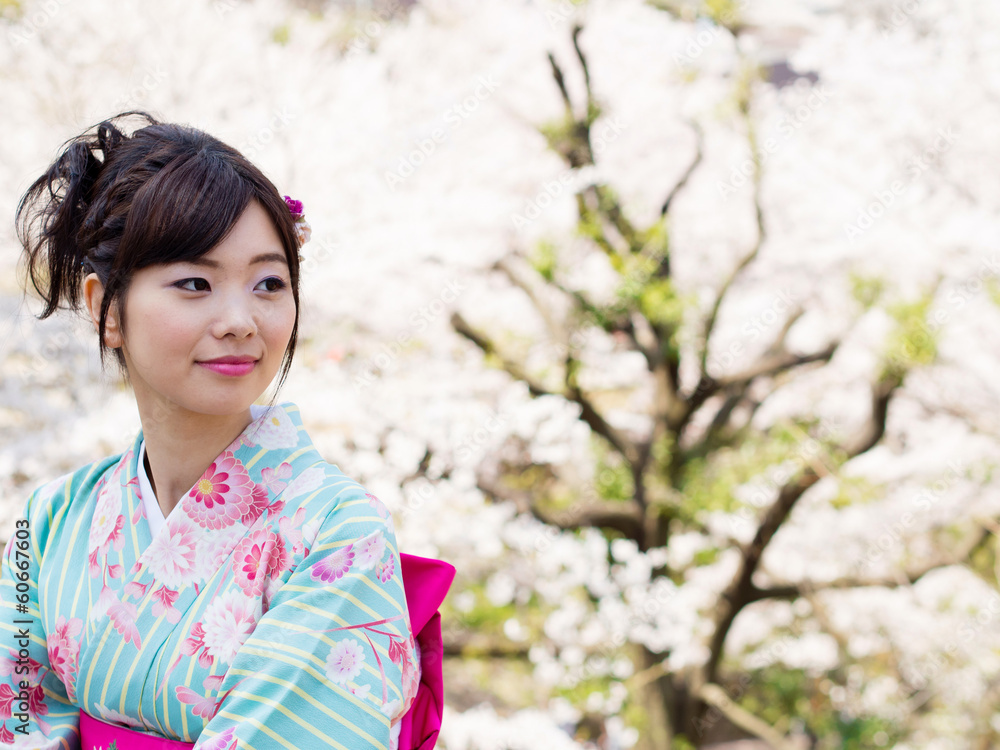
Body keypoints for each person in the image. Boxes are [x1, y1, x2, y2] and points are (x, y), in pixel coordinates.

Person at [1, 111, 453, 750]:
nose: (242, 319)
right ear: (106, 307)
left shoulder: (337, 531)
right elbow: (15, 719)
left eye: (269, 283)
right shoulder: (50, 520)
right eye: (195, 283)